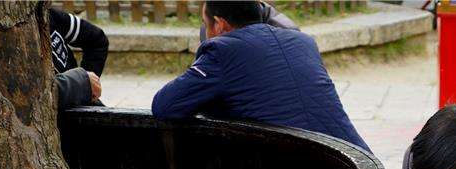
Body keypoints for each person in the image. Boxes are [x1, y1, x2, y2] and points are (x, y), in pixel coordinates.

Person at [152, 1, 370, 152]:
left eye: (205, 23)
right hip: (357, 165)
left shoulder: (222, 51)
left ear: (219, 24)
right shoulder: (303, 42)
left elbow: (165, 106)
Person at [49, 7, 108, 109]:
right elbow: (36, 94)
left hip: (83, 112)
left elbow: (97, 39)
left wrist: (89, 84)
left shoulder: (46, 15)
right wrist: (82, 81)